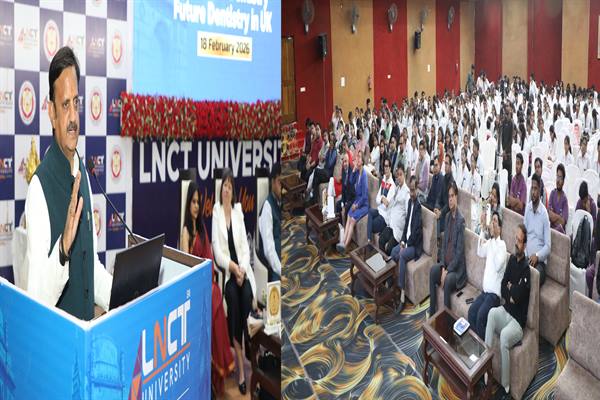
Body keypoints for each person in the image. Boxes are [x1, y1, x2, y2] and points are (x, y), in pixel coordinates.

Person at [25, 46, 112, 320]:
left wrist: (126, 298)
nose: (73, 117)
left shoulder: (83, 173)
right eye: (65, 105)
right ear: (51, 112)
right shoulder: (38, 189)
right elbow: (35, 300)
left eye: (76, 103)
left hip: (87, 337)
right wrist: (63, 250)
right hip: (58, 344)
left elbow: (91, 270)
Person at [180, 181, 233, 395]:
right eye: (193, 202)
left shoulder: (202, 229)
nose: (196, 206)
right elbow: (186, 269)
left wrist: (208, 282)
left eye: (198, 202)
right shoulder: (186, 232)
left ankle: (216, 371)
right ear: (188, 204)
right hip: (193, 290)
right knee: (213, 296)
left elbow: (209, 260)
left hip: (207, 286)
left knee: (215, 294)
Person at [212, 168, 256, 395]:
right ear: (221, 190)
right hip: (230, 275)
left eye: (229, 186)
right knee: (234, 303)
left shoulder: (238, 211)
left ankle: (250, 351)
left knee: (247, 298)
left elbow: (246, 249)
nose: (226, 190)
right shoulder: (216, 212)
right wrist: (234, 269)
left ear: (233, 190)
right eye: (224, 186)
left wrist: (243, 270)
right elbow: (217, 252)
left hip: (244, 273)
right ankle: (240, 369)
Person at [485, 223, 531, 398]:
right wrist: (511, 288)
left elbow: (517, 297)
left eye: (519, 241)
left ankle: (505, 385)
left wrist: (512, 290)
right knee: (491, 313)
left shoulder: (526, 269)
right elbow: (503, 286)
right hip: (507, 310)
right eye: (516, 239)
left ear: (524, 245)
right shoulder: (511, 260)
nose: (516, 243)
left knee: (504, 336)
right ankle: (485, 367)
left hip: (517, 322)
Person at [429, 180, 466, 316]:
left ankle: (446, 320)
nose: (450, 199)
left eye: (452, 196)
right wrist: (443, 267)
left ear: (457, 197)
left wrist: (447, 271)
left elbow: (459, 254)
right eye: (448, 196)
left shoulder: (461, 221)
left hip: (457, 272)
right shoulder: (447, 217)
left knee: (448, 280)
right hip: (447, 266)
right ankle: (432, 313)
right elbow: (444, 247)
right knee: (433, 271)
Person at [468, 212, 507, 339]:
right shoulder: (490, 243)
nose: (493, 223)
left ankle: (485, 349)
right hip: (485, 294)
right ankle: (476, 344)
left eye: (495, 221)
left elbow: (498, 265)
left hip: (494, 296)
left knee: (480, 316)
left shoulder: (502, 246)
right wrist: (483, 229)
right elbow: (479, 252)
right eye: (492, 221)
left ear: (500, 229)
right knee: (471, 312)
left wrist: (494, 239)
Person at [391, 175, 422, 314]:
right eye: (410, 190)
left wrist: (406, 244)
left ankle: (402, 296)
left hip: (414, 247)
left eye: (414, 190)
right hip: (407, 242)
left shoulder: (419, 207)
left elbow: (415, 233)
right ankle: (394, 283)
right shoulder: (409, 202)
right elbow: (406, 226)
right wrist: (402, 241)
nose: (412, 193)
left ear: (418, 189)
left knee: (402, 255)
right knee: (393, 252)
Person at [338, 150, 369, 254]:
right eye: (357, 157)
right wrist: (354, 170)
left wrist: (357, 205)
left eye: (359, 157)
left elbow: (364, 196)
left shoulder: (364, 175)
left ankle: (345, 245)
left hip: (363, 205)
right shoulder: (358, 172)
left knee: (352, 219)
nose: (357, 159)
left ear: (362, 161)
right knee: (348, 215)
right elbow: (351, 181)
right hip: (357, 201)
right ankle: (343, 242)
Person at [524, 173, 551, 286]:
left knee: (532, 277)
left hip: (539, 263)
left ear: (540, 191)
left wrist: (537, 256)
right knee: (515, 268)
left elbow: (548, 246)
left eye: (535, 189)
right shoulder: (528, 208)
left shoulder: (544, 214)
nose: (533, 192)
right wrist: (525, 254)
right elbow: (524, 235)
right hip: (527, 257)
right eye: (532, 188)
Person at [258, 164, 282, 282]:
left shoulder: (281, 202)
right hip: (276, 269)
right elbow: (269, 251)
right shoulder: (268, 207)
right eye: (279, 182)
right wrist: (280, 270)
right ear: (273, 182)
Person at [379, 163, 409, 255]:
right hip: (392, 225)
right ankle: (382, 262)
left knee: (389, 248)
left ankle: (386, 263)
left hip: (399, 230)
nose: (399, 177)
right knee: (381, 240)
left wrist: (405, 238)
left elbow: (408, 215)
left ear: (404, 174)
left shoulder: (407, 193)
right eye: (397, 175)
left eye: (401, 175)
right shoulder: (397, 189)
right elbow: (391, 205)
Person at [367, 157, 396, 242]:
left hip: (384, 217)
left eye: (387, 166)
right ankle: (369, 240)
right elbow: (377, 199)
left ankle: (368, 241)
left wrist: (382, 199)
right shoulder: (383, 180)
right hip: (379, 211)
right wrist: (382, 198)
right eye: (384, 166)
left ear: (390, 168)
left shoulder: (392, 186)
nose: (385, 168)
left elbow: (387, 204)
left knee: (371, 225)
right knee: (369, 211)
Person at [336, 153, 357, 224]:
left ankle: (345, 227)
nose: (344, 164)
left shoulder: (352, 172)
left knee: (346, 208)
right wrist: (343, 202)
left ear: (348, 162)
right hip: (346, 197)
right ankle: (339, 225)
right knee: (338, 205)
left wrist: (346, 203)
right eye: (343, 162)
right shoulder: (343, 171)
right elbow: (343, 189)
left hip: (352, 199)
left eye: (346, 161)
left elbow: (352, 192)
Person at [548, 163, 569, 233]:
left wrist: (554, 217)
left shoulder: (565, 199)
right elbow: (549, 214)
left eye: (560, 178)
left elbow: (562, 222)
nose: (558, 180)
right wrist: (559, 217)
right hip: (550, 231)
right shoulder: (552, 194)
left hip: (559, 234)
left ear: (563, 181)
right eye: (557, 176)